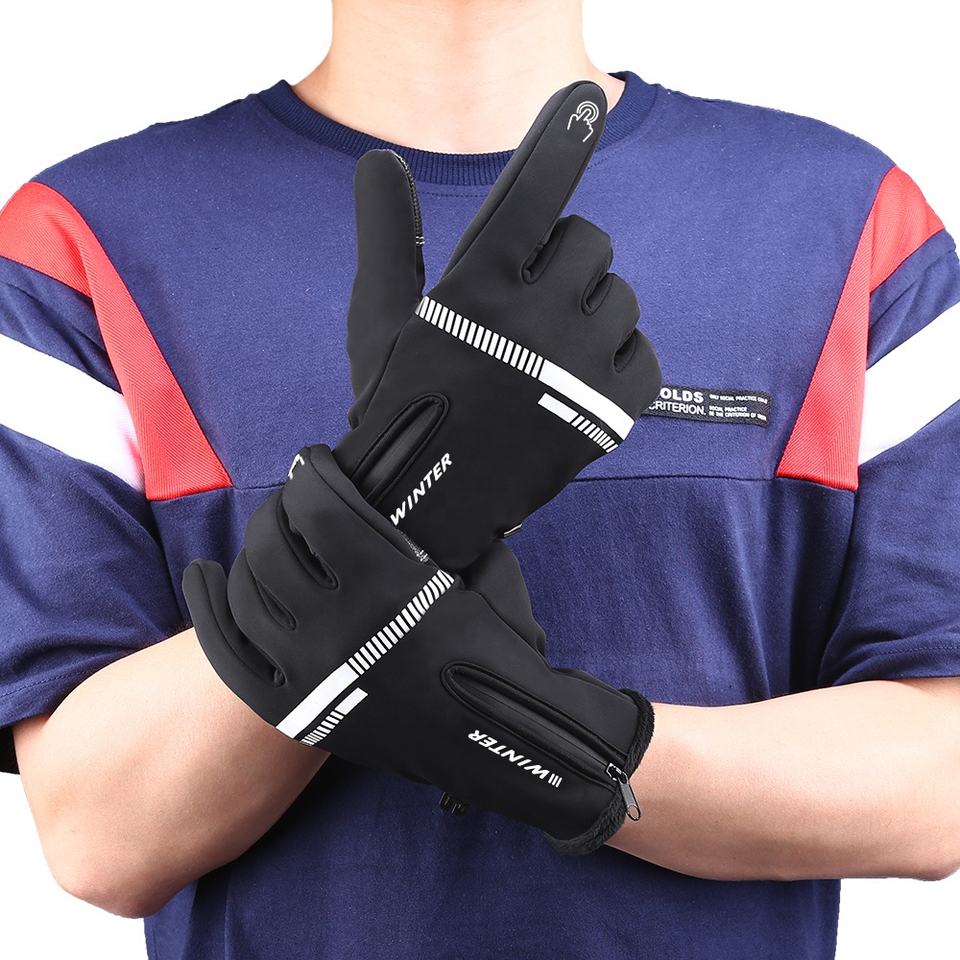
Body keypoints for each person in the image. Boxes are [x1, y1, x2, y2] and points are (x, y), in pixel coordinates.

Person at [1, 1, 958, 958]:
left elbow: (937, 782)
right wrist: (407, 494)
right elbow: (100, 834)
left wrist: (540, 739)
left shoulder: (849, 219)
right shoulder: (80, 243)